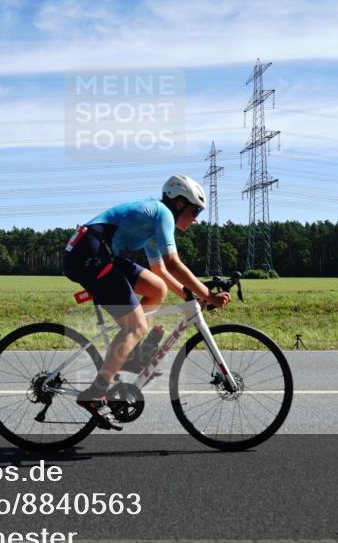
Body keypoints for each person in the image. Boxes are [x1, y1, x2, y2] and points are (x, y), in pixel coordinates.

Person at [62, 175, 231, 430]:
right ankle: (95, 393)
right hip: (89, 254)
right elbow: (173, 263)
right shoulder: (163, 213)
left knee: (157, 288)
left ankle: (130, 352)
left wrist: (189, 297)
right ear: (180, 203)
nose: (196, 218)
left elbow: (161, 270)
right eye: (195, 211)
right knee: (136, 326)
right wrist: (209, 295)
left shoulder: (154, 223)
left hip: (98, 252)